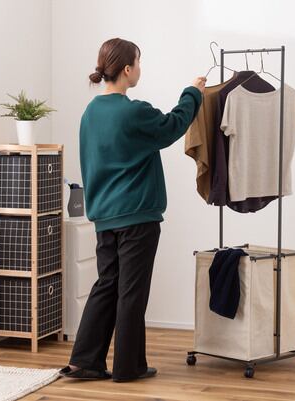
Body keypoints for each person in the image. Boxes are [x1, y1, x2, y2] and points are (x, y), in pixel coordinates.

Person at [59, 37, 206, 382]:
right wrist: (193, 93)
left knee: (106, 285)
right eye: (138, 62)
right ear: (127, 69)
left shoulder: (90, 113)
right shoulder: (134, 111)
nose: (140, 68)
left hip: (104, 217)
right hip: (137, 216)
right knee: (131, 292)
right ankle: (128, 367)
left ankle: (84, 361)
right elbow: (172, 126)